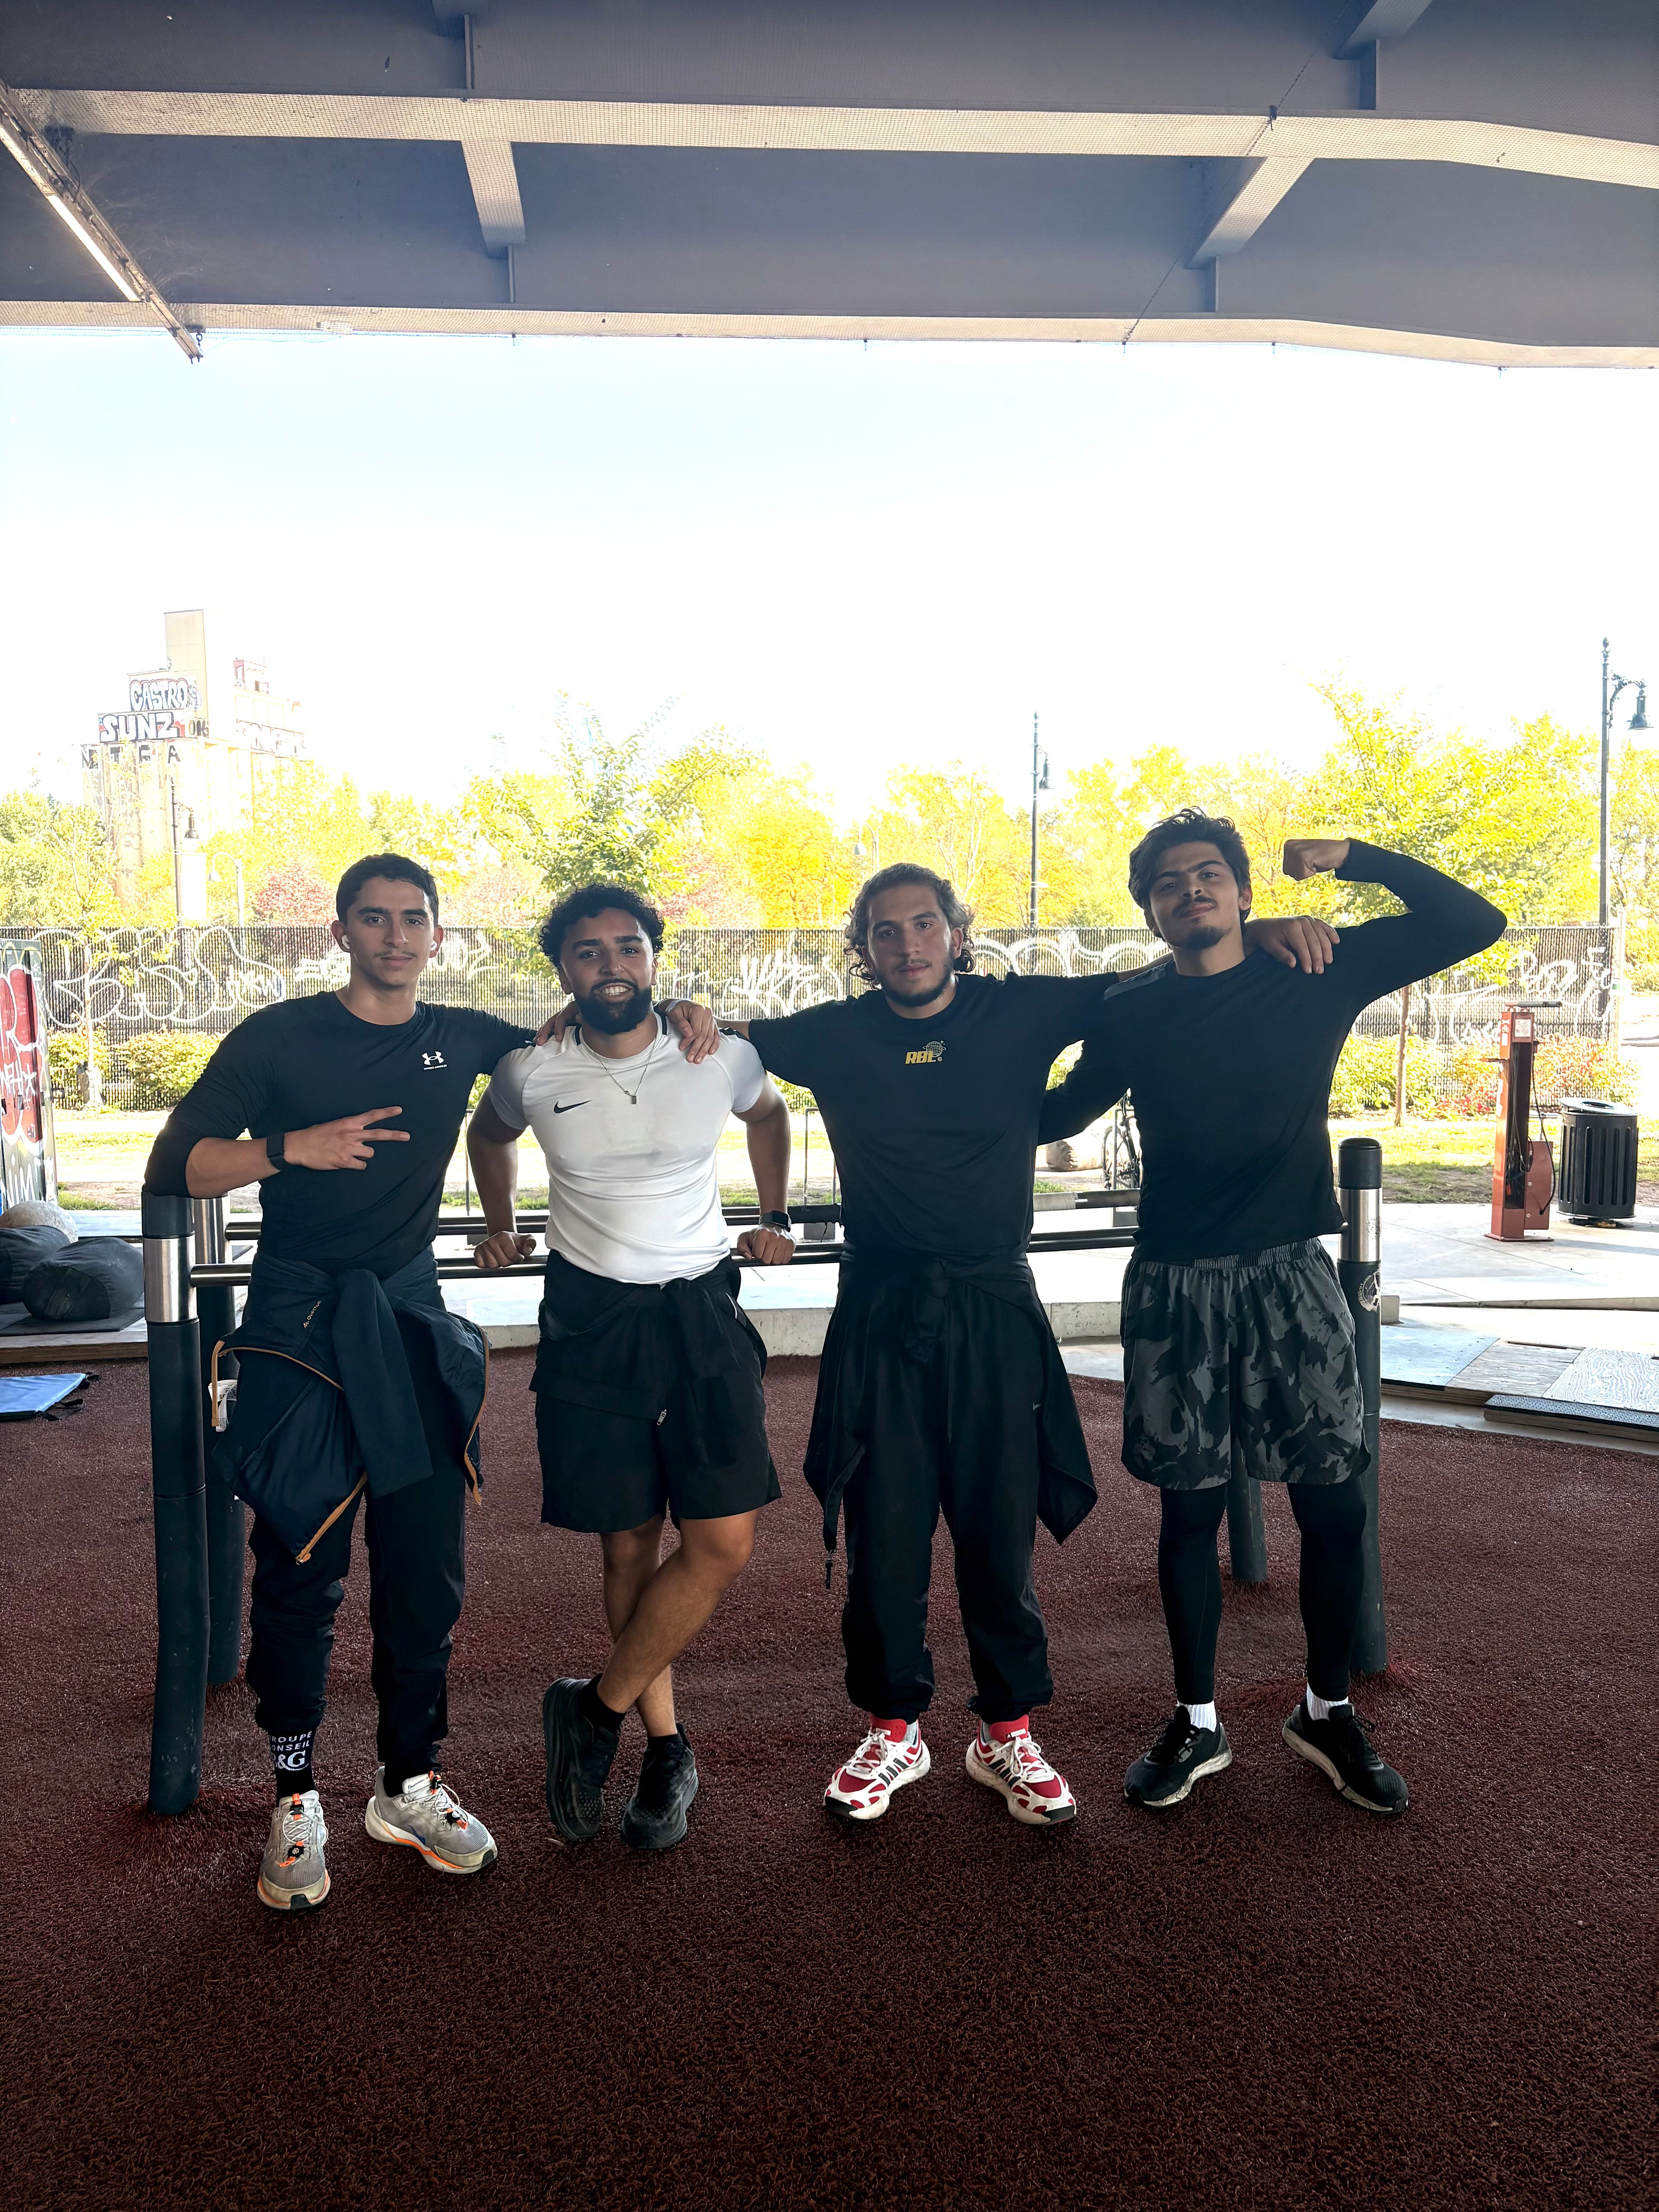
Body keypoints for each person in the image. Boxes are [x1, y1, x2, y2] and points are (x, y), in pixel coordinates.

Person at [664, 864, 1339, 1828]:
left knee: (997, 1529)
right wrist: (681, 1008)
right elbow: (718, 1039)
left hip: (994, 1304)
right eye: (886, 931)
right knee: (886, 1530)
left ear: (956, 932)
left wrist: (1260, 929)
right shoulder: (833, 1031)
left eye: (924, 924)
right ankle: (893, 1728)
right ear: (864, 949)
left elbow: (1166, 969)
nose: (907, 944)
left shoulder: (1024, 1007)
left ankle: (1007, 1731)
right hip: (882, 1307)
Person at [1039, 814, 1506, 1817]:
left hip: (1293, 1276)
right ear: (1151, 911)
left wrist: (1350, 859)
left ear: (1245, 892)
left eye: (1209, 874)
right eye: (1169, 883)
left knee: (1334, 1506)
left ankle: (1326, 1709)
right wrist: (934, 1092)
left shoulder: (1316, 968)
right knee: (1189, 1512)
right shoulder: (1132, 1009)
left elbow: (1475, 921)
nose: (1190, 890)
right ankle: (1197, 1720)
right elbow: (1059, 1113)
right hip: (1175, 1285)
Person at [145, 854, 541, 1910]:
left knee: (425, 1567)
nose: (396, 936)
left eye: (414, 919)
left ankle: (408, 1781)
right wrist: (290, 1148)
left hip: (408, 1320)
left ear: (438, 936)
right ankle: (294, 1794)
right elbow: (180, 1162)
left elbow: (585, 1038)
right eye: (374, 918)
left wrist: (682, 1014)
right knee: (298, 1561)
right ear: (341, 932)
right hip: (297, 1323)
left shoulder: (465, 1034)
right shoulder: (279, 1036)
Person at [467, 884, 795, 1852]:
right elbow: (488, 1134)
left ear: (655, 956)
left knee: (722, 1539)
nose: (611, 966)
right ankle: (664, 1748)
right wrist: (499, 1224)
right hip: (593, 1317)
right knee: (627, 1546)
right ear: (562, 969)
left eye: (628, 947)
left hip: (700, 1311)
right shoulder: (529, 1067)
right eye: (588, 951)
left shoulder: (717, 1052)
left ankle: (594, 1710)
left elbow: (771, 1114)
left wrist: (774, 1214)